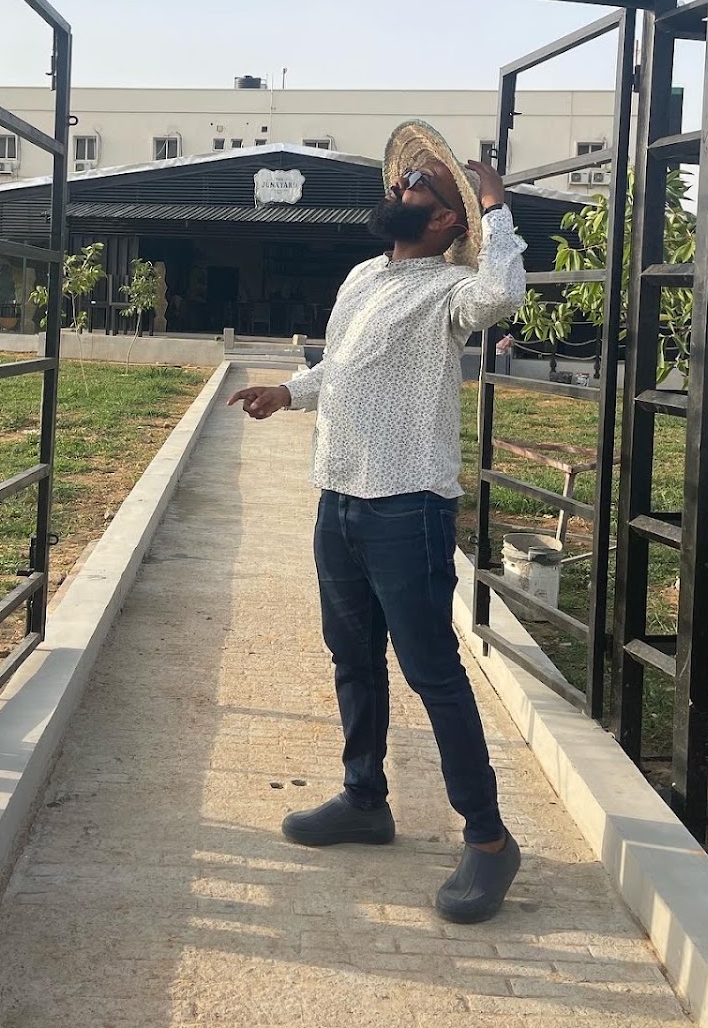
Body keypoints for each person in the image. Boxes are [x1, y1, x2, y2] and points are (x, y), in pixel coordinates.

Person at [228, 120, 528, 925]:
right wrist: (287, 392)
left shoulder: (451, 291)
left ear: (448, 219)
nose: (400, 188)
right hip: (338, 498)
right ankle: (364, 800)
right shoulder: (363, 276)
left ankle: (490, 839)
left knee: (433, 674)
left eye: (418, 185)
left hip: (408, 508)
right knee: (353, 659)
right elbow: (343, 365)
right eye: (401, 180)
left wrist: (497, 207)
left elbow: (502, 296)